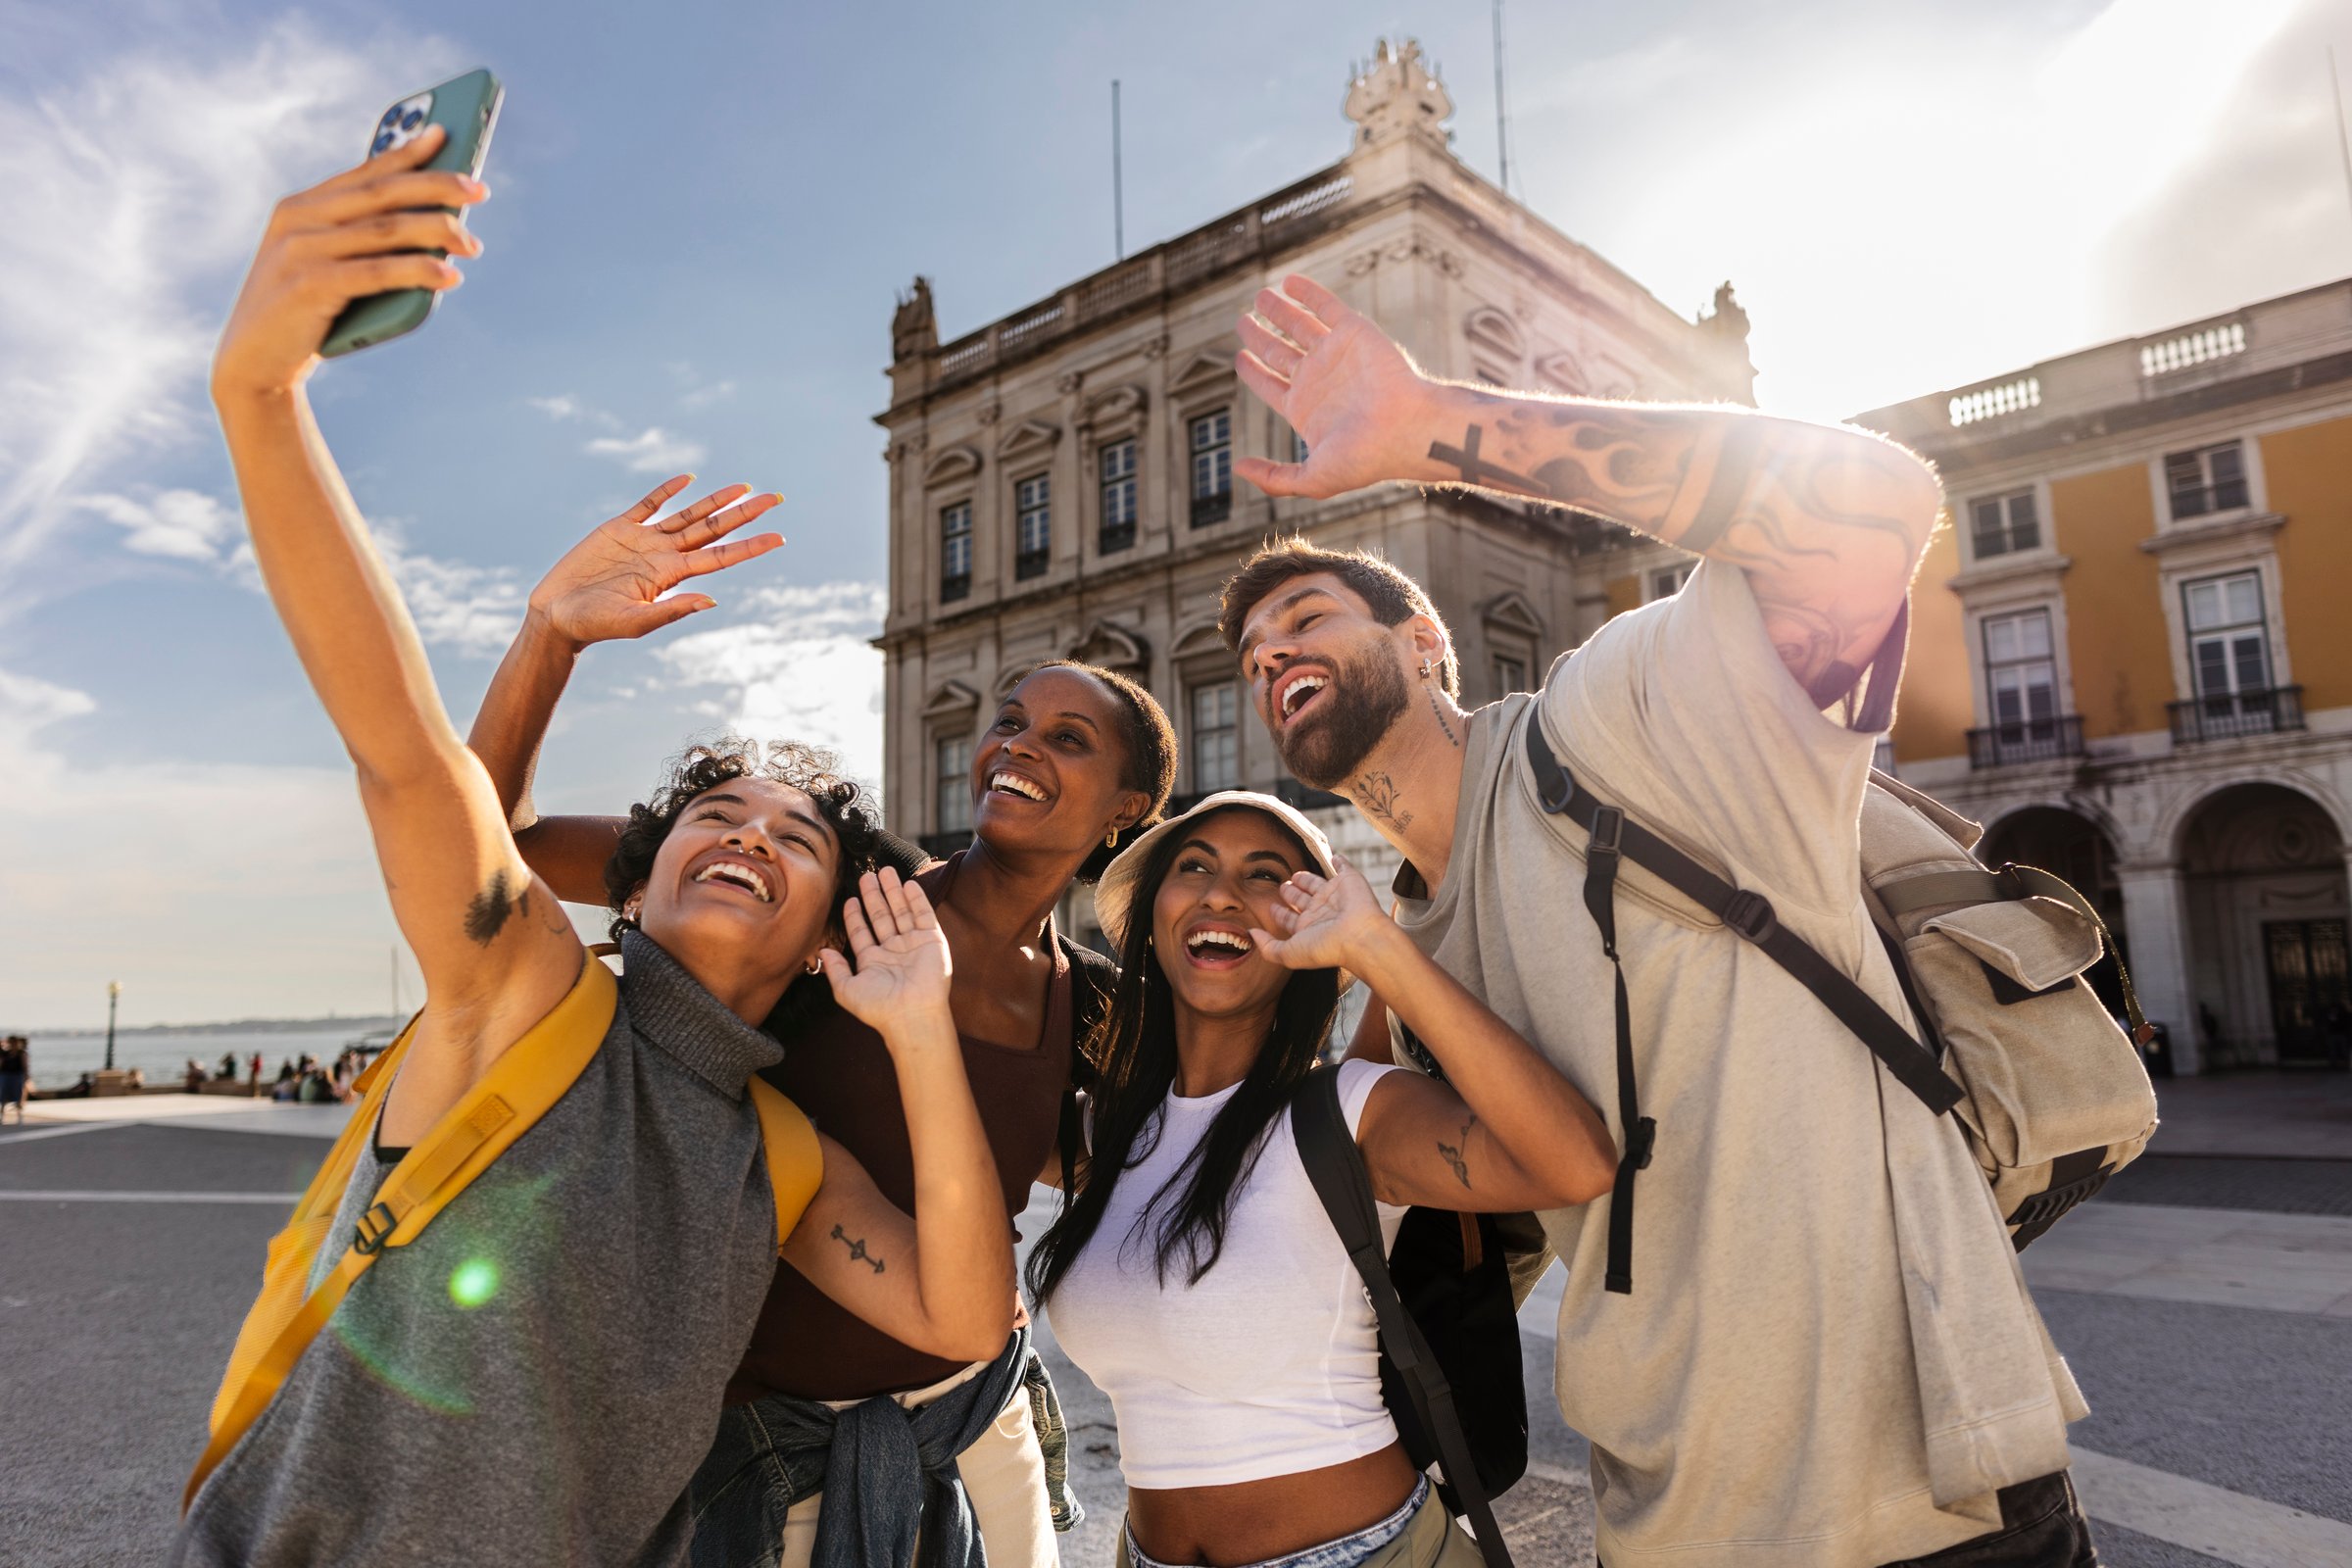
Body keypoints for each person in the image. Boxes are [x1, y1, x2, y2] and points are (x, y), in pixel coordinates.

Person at [177, 125, 1014, 1568]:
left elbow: (962, 1314)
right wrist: (263, 398)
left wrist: (921, 1025)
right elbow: (404, 756)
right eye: (711, 814)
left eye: (793, 835)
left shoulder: (779, 1155)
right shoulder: (530, 999)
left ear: (830, 930)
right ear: (637, 882)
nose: (744, 832)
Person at [1215, 274, 2101, 1567]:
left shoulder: (1626, 716)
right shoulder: (1398, 961)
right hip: (1674, 1521)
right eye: (1247, 661)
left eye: (1303, 617)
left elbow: (1870, 503)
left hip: (1928, 1498)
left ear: (1423, 644)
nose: (1269, 657)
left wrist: (1432, 425)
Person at [466, 453, 1176, 1568]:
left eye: (1068, 738)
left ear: (1130, 808)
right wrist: (549, 639)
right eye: (1009, 720)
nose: (1017, 744)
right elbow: (495, 840)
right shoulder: (826, 893)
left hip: (980, 1429)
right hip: (769, 1460)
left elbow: (1086, 1169)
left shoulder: (1095, 1004)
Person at [1029, 793, 1615, 1568]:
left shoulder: (1353, 1112)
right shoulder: (1104, 1133)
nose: (1220, 892)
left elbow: (1576, 1161)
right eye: (1194, 866)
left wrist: (1382, 949)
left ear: (1308, 923)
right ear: (1151, 916)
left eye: (1264, 875)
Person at [0, 1036, 27, 1124]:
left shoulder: (21, 1053)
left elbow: (25, 1066)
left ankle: (19, 1116)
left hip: (17, 1076)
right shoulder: (5, 1053)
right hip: (6, 1075)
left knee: (18, 1095)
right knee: (3, 1095)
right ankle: (2, 1115)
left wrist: (26, 1076)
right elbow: (1, 1064)